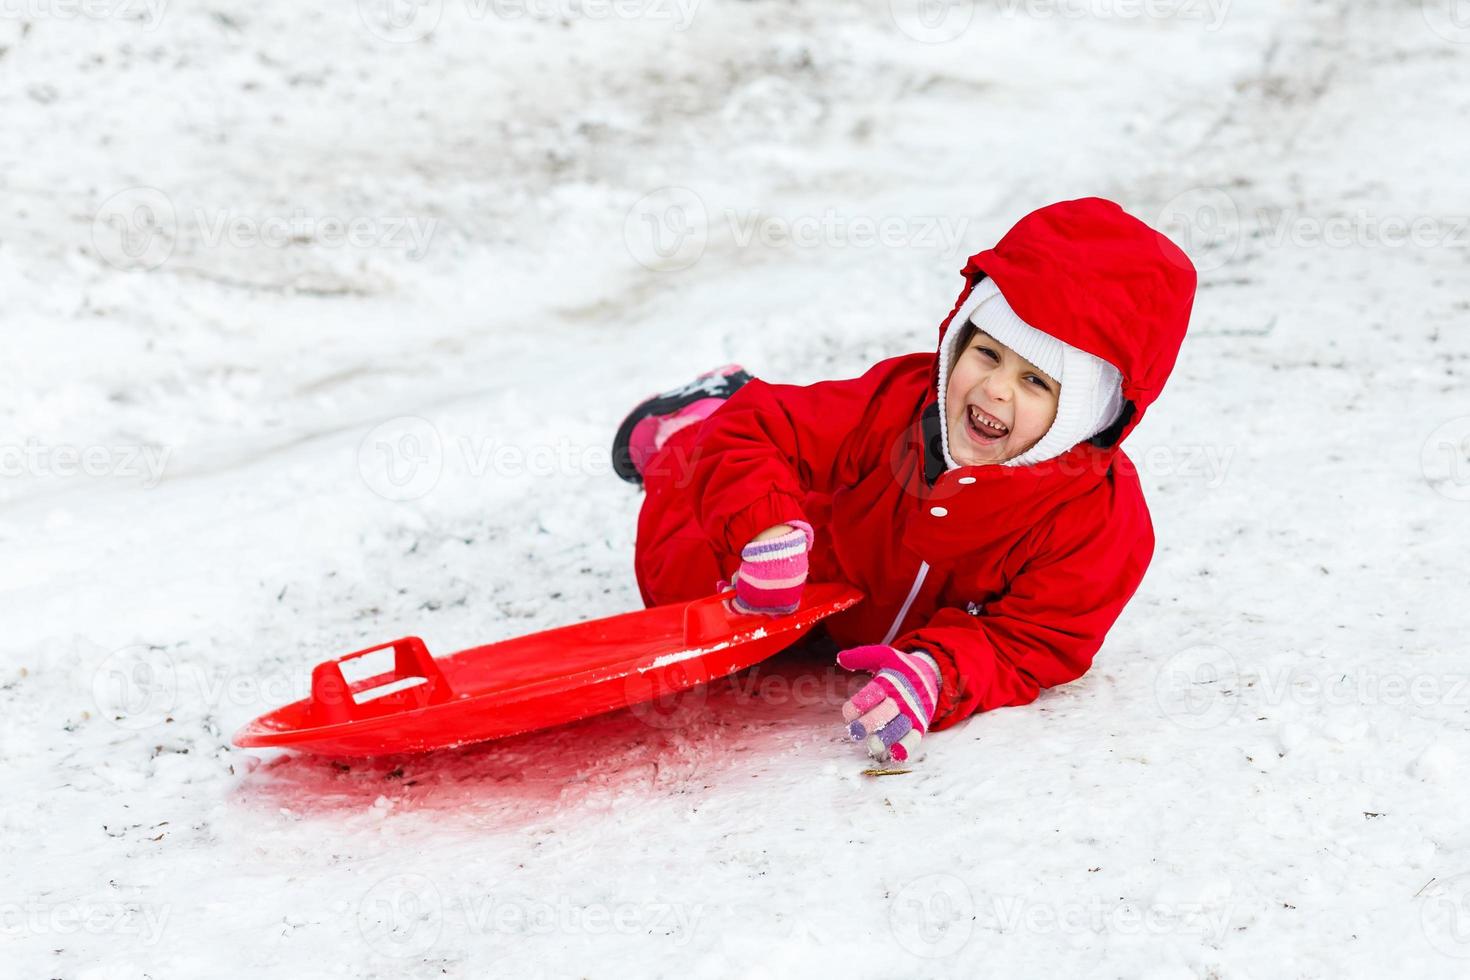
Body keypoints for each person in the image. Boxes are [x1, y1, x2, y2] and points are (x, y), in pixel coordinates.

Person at [611, 197, 1198, 764]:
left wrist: (939, 676)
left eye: (1036, 383)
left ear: (1083, 417)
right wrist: (764, 531)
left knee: (772, 653)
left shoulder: (1098, 524)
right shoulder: (899, 406)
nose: (995, 389)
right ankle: (687, 424)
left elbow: (1032, 641)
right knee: (687, 578)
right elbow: (763, 429)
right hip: (815, 555)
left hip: (872, 621)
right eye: (988, 354)